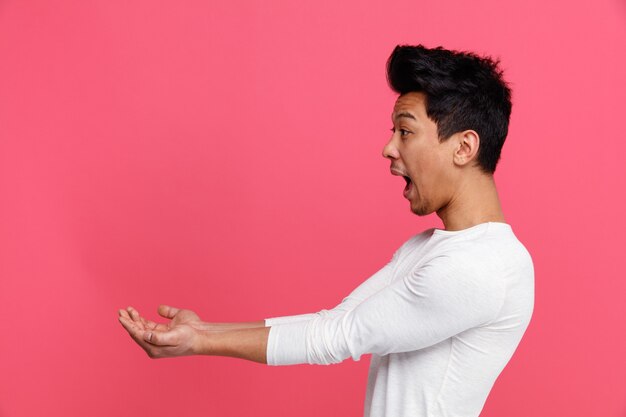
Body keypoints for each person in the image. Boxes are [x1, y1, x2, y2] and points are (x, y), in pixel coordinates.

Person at [118, 44, 535, 417]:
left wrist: (200, 343)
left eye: (405, 131)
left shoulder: (480, 267)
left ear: (463, 147)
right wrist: (201, 331)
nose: (388, 147)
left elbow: (338, 337)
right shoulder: (432, 248)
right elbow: (336, 320)